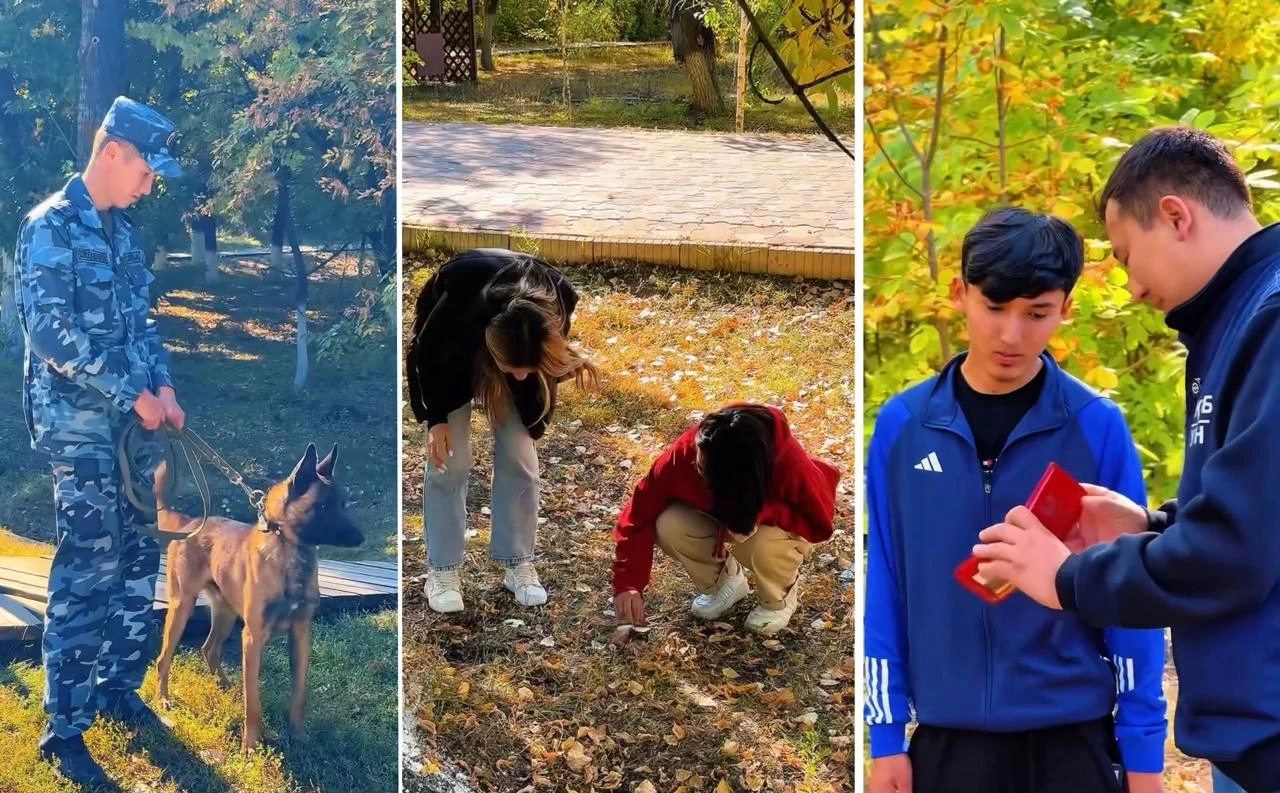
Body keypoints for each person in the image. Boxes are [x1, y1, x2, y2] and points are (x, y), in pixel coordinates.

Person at [972, 127, 1280, 791]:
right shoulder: (1231, 322)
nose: (1133, 287)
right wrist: (1152, 527)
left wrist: (1066, 578)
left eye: (1127, 255)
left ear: (1176, 215)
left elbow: (1238, 550)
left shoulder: (1271, 321)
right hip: (1250, 739)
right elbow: (1258, 516)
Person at [864, 207, 1167, 793]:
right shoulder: (903, 426)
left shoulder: (1096, 427)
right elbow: (888, 581)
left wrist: (1144, 756)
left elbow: (1133, 598)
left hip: (1072, 743)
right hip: (947, 745)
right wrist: (884, 737)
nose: (1011, 335)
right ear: (960, 294)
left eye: (1036, 313)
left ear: (1065, 309)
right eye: (994, 307)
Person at [13, 95, 186, 787]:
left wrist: (164, 387)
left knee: (140, 554)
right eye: (146, 169)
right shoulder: (48, 227)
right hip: (78, 430)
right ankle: (64, 727)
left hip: (133, 430)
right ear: (112, 150)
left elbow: (142, 325)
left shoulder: (122, 234)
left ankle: (117, 686)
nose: (150, 184)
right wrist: (132, 392)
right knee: (89, 567)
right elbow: (51, 335)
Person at [406, 248, 598, 613]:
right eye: (515, 368)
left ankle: (518, 563)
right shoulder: (460, 297)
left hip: (516, 342)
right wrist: (437, 420)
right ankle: (442, 571)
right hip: (448, 359)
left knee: (520, 455)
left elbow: (533, 367)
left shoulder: (558, 299)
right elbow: (428, 353)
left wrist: (526, 380)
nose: (521, 375)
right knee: (450, 461)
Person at [610, 403, 841, 637]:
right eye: (699, 458)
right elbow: (637, 514)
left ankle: (777, 598)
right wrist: (628, 584)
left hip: (764, 524)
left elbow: (819, 523)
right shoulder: (685, 454)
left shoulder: (787, 463)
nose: (696, 465)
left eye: (705, 467)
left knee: (760, 543)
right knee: (668, 523)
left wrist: (762, 514)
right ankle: (724, 583)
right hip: (720, 513)